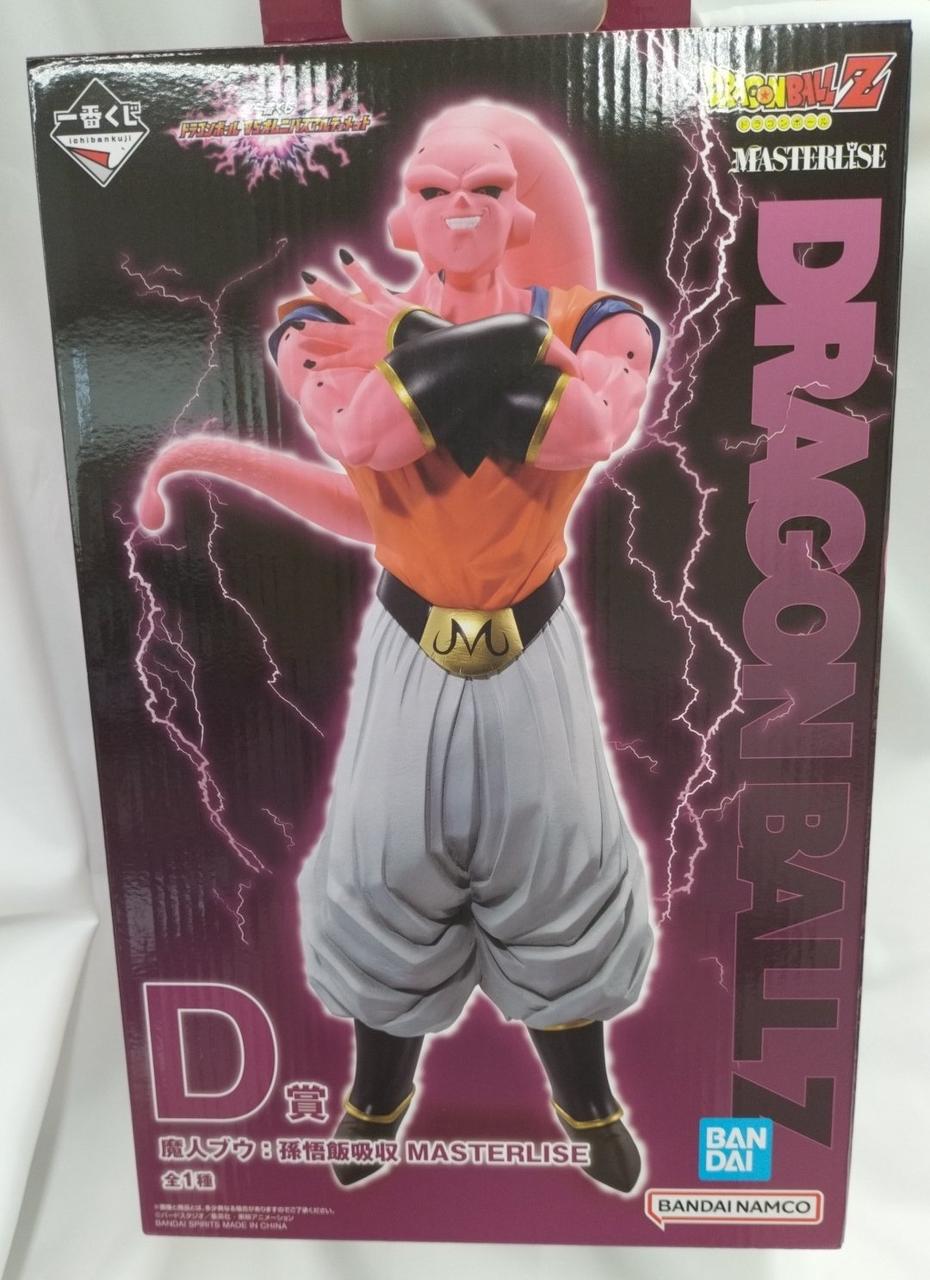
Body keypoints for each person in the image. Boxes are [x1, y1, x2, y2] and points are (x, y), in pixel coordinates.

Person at [138, 101, 660, 1195]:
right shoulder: (319, 321)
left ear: (520, 212)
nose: (461, 208)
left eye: (486, 189)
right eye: (436, 191)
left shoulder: (605, 318)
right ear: (403, 216)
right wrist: (495, 356)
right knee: (380, 871)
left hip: (536, 644)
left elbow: (588, 430)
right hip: (408, 643)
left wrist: (413, 345)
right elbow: (366, 438)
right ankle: (377, 1095)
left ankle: (587, 1099)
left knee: (564, 868)